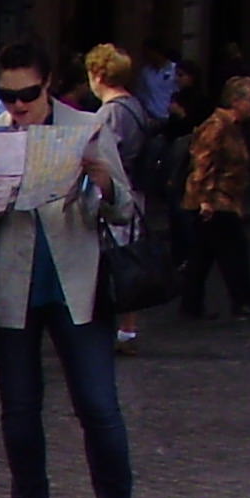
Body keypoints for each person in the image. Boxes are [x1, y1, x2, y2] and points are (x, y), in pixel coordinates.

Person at [0, 40, 153, 498]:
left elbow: (122, 211)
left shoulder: (87, 127)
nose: (18, 106)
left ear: (48, 83)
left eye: (27, 93)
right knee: (19, 404)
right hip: (12, 281)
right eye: (8, 97)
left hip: (77, 280)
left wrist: (104, 183)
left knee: (98, 403)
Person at [82, 42, 154, 354]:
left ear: (98, 74)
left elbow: (103, 157)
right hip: (136, 189)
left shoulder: (110, 113)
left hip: (118, 191)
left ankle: (121, 328)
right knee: (126, 258)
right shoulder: (134, 106)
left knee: (115, 261)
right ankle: (128, 328)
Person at [179, 76, 250, 322]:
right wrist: (204, 199)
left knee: (202, 255)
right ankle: (243, 301)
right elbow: (203, 163)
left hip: (226, 198)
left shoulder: (233, 127)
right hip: (216, 200)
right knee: (233, 251)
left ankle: (191, 304)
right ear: (236, 101)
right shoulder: (216, 126)